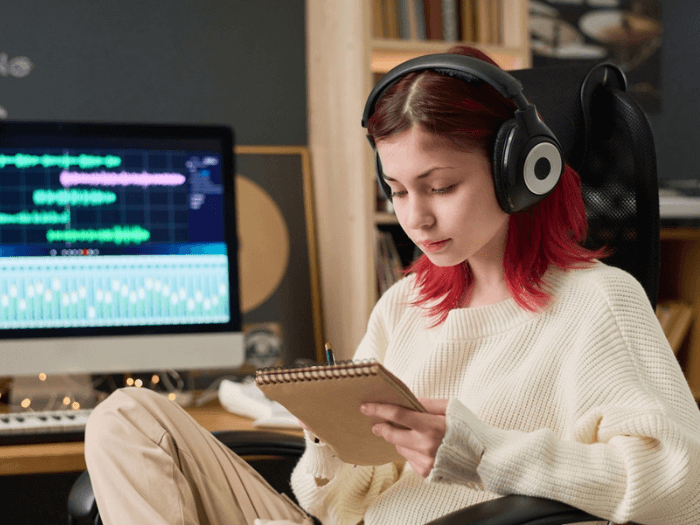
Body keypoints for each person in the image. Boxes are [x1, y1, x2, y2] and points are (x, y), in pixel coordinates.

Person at [85, 45, 700, 525]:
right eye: (398, 191)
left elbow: (684, 492)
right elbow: (334, 504)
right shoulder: (406, 305)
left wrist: (482, 452)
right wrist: (328, 442)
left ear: (522, 171)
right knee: (127, 416)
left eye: (441, 187)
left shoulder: (598, 303)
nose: (416, 218)